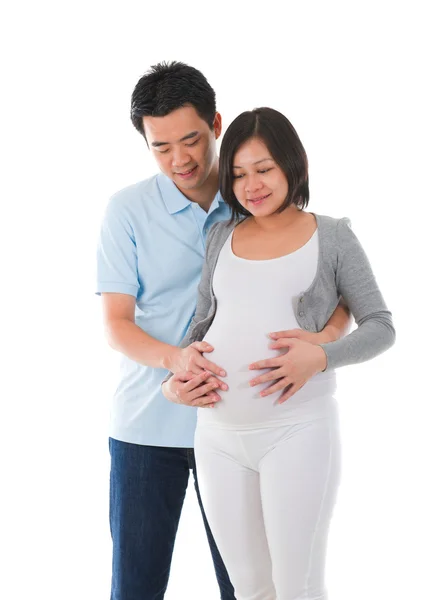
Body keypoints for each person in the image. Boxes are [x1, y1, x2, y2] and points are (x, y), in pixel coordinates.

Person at [96, 62, 351, 600]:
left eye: (190, 139)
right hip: (147, 430)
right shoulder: (126, 211)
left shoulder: (256, 202)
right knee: (134, 589)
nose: (179, 159)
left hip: (246, 429)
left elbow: (335, 292)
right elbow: (117, 325)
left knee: (249, 588)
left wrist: (322, 346)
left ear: (216, 124)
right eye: (160, 147)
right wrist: (174, 361)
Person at [162, 107, 395, 600]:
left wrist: (322, 356)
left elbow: (381, 325)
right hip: (217, 438)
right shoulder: (221, 236)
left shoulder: (331, 235)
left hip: (296, 431)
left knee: (297, 586)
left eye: (264, 169)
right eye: (239, 174)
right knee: (249, 588)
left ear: (293, 165)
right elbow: (201, 323)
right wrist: (176, 379)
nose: (252, 186)